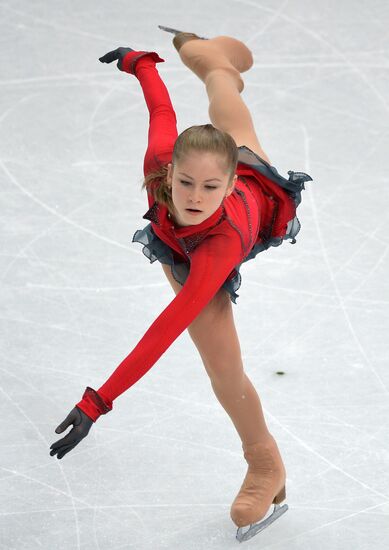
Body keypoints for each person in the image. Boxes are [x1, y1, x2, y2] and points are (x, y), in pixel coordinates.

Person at [49, 29, 312, 542]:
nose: (194, 195)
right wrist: (141, 64)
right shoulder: (162, 165)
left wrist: (96, 402)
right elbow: (161, 114)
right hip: (179, 241)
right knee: (223, 100)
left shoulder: (221, 242)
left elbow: (165, 328)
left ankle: (264, 463)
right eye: (185, 182)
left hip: (222, 237)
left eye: (211, 186)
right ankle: (208, 56)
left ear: (231, 182)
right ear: (170, 174)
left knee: (222, 365)